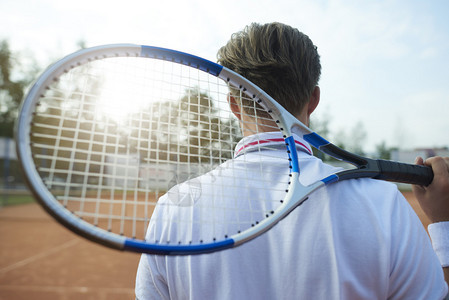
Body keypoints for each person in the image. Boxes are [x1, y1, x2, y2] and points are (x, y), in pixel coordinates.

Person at [135, 22, 449, 299]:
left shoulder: (174, 208)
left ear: (233, 104)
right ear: (314, 98)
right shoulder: (383, 204)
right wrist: (445, 225)